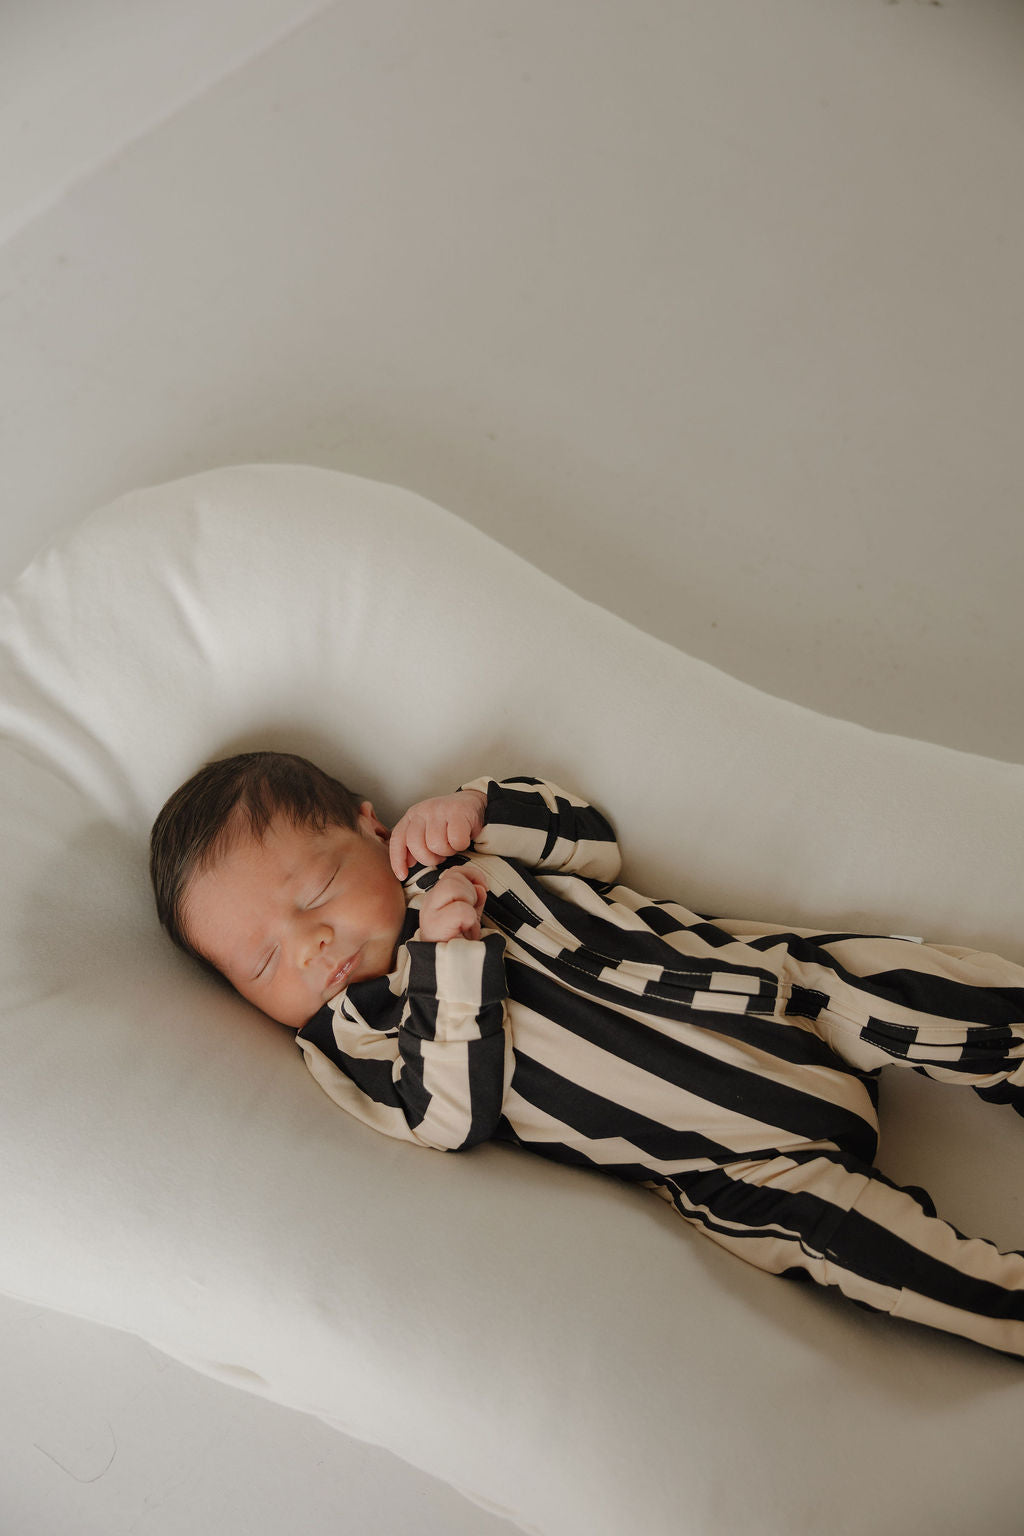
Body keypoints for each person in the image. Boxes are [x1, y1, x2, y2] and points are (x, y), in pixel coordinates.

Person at [150, 750, 1024, 1358]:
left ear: (371, 827)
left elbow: (594, 841)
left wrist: (482, 806)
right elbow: (446, 1119)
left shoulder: (458, 851)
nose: (308, 945)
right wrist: (447, 961)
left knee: (904, 984)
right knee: (863, 1254)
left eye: (317, 890)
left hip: (781, 997)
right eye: (263, 963)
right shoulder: (357, 1039)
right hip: (739, 1167)